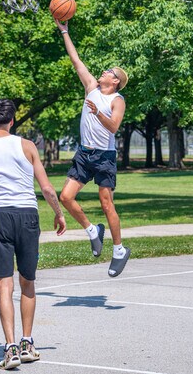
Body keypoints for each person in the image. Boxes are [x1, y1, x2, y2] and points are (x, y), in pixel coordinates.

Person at [0, 99, 66, 370]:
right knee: (28, 281)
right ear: (12, 120)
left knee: (4, 285)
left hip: (0, 216)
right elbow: (47, 188)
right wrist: (58, 213)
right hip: (28, 214)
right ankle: (27, 343)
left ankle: (10, 349)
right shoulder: (27, 146)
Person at [55, 18, 131, 277]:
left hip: (104, 156)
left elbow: (113, 127)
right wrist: (65, 31)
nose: (104, 72)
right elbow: (76, 59)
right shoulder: (90, 87)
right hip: (85, 152)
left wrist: (98, 113)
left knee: (106, 202)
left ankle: (119, 249)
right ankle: (91, 230)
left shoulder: (117, 100)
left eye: (110, 72)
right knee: (65, 197)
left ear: (116, 81)